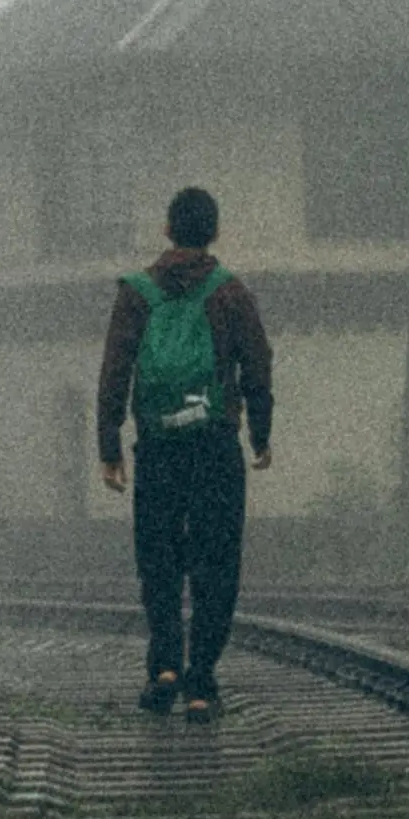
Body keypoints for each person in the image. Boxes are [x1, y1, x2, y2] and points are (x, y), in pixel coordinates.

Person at [97, 184, 274, 719]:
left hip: (158, 446)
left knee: (160, 560)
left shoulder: (136, 293)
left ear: (167, 230)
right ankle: (200, 683)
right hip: (214, 444)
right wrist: (260, 433)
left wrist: (110, 445)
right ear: (214, 232)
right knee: (215, 563)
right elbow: (257, 366)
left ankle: (165, 666)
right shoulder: (230, 293)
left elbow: (115, 370)